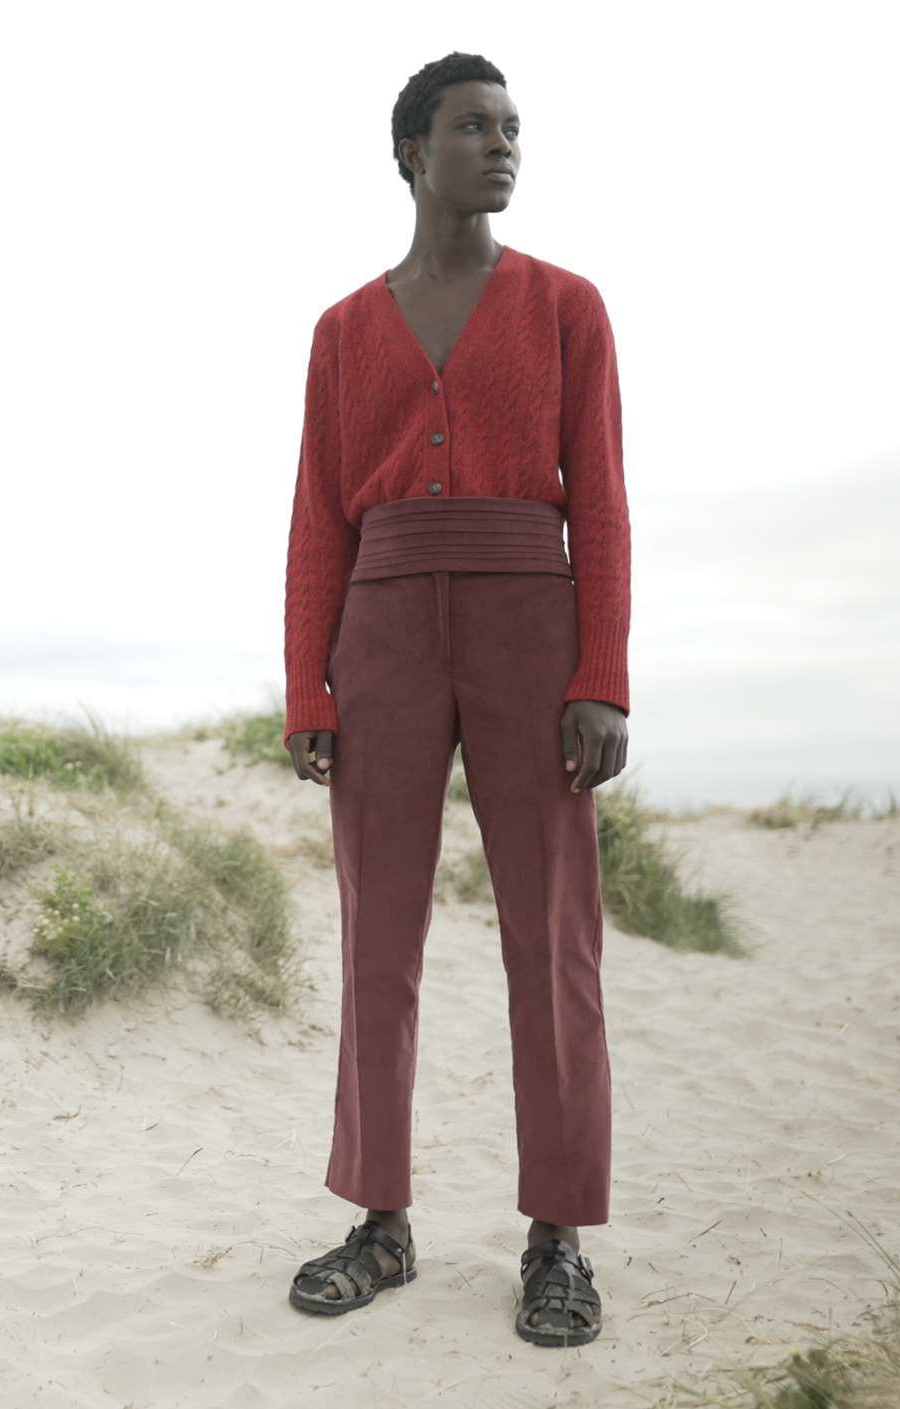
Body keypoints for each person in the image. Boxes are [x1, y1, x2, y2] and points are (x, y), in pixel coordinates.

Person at [280, 52, 630, 1349]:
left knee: (553, 938)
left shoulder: (567, 308)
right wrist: (307, 682)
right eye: (474, 128)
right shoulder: (340, 332)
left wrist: (602, 675)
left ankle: (560, 1240)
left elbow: (599, 499)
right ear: (411, 153)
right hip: (380, 628)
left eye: (513, 128)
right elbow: (319, 512)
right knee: (379, 937)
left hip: (530, 623)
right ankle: (380, 1221)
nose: (502, 146)